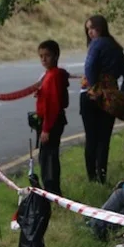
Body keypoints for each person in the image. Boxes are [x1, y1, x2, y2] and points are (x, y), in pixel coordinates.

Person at [81, 14, 124, 184]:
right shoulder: (116, 47)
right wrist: (121, 95)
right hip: (111, 96)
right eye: (87, 29)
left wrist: (93, 87)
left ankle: (92, 178)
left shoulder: (97, 44)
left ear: (100, 27)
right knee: (104, 139)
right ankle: (102, 176)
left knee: (91, 138)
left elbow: (89, 66)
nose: (90, 32)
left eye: (92, 28)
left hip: (91, 96)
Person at [35, 39, 69, 196]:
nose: (43, 59)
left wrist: (46, 129)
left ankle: (52, 192)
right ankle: (50, 190)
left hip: (51, 122)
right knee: (45, 157)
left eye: (47, 55)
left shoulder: (54, 76)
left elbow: (53, 105)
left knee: (48, 159)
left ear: (56, 56)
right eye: (41, 56)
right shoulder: (48, 75)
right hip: (48, 121)